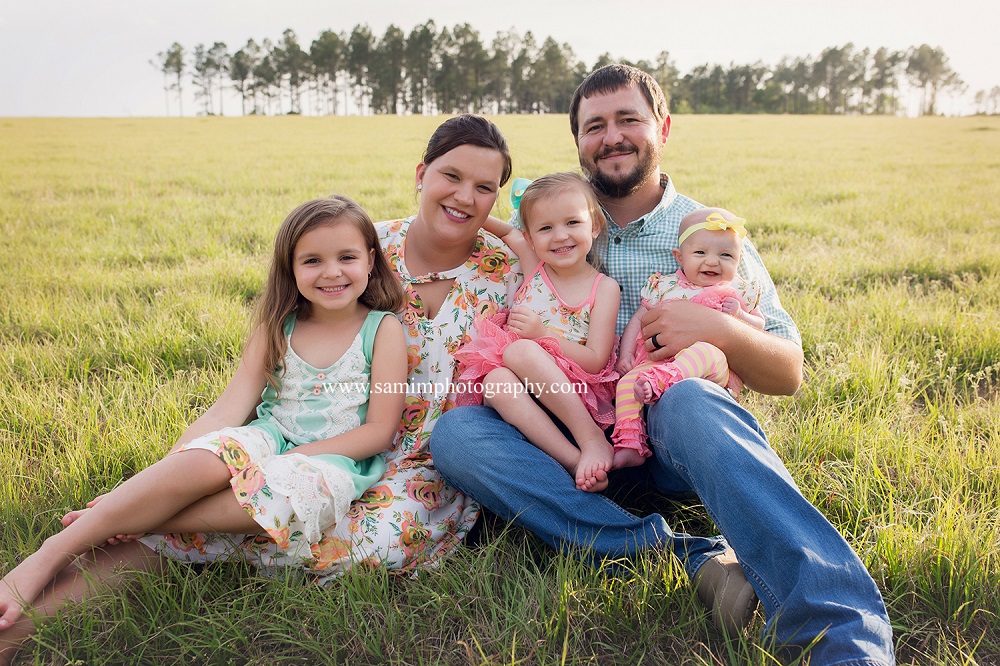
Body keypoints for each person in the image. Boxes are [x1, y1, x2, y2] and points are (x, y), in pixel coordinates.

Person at [0, 115, 520, 663]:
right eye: (451, 176)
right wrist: (174, 467)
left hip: (414, 460)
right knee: (205, 505)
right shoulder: (365, 245)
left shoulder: (506, 269)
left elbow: (556, 253)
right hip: (299, 435)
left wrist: (507, 231)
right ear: (422, 173)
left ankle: (136, 518)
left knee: (373, 538)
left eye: (485, 188)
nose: (465, 196)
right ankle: (19, 621)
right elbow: (244, 388)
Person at [430, 65, 895, 664]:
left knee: (692, 399)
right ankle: (687, 556)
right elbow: (457, 229)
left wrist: (719, 329)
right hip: (567, 440)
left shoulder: (710, 232)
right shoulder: (558, 220)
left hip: (669, 434)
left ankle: (841, 637)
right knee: (459, 434)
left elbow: (789, 371)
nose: (612, 136)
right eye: (595, 125)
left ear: (663, 127)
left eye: (629, 119)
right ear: (578, 140)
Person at [1, 194, 408, 633]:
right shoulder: (278, 326)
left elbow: (378, 429)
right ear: (289, 268)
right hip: (268, 435)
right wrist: (171, 469)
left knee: (287, 490)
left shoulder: (381, 329)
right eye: (312, 260)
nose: (331, 271)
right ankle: (54, 552)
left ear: (370, 259)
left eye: (346, 257)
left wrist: (294, 458)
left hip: (332, 458)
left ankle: (119, 518)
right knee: (208, 454)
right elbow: (226, 411)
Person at [454, 172, 620, 492]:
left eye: (572, 223)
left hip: (573, 390)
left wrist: (542, 334)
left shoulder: (604, 288)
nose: (560, 236)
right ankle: (572, 460)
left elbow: (596, 360)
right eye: (545, 228)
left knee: (519, 350)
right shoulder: (534, 266)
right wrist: (463, 211)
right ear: (529, 238)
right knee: (495, 381)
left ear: (595, 226)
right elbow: (503, 231)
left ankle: (591, 439)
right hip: (525, 391)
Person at [611, 206, 764, 469]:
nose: (713, 261)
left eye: (726, 255)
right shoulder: (665, 286)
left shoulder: (737, 290)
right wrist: (625, 355)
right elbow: (638, 320)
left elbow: (759, 327)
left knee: (703, 350)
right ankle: (629, 442)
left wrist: (740, 315)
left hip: (710, 369)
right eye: (701, 253)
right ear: (680, 257)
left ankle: (660, 382)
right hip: (657, 363)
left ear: (739, 260)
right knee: (626, 384)